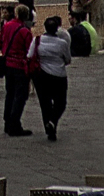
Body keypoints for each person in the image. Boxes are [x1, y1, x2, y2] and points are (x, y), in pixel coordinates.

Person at [0, 3, 37, 137]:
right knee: (20, 96)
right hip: (20, 67)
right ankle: (14, 124)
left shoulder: (6, 26)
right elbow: (30, 51)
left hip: (8, 65)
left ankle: (7, 122)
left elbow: (1, 43)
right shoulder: (25, 31)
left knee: (9, 94)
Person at [34, 13, 72, 141]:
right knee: (60, 102)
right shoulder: (62, 43)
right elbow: (67, 59)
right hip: (59, 75)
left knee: (45, 103)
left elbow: (30, 56)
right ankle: (53, 121)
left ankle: (49, 127)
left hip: (41, 75)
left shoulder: (37, 40)